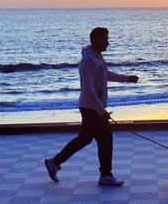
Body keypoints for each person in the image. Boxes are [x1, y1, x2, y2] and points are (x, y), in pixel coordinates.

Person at [44, 27, 139, 186]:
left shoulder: (97, 57)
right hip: (90, 108)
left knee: (85, 139)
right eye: (105, 40)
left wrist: (127, 79)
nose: (108, 43)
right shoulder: (87, 61)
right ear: (96, 41)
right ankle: (105, 175)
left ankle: (55, 162)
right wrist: (101, 111)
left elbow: (106, 75)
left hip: (94, 108)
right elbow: (88, 89)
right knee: (105, 139)